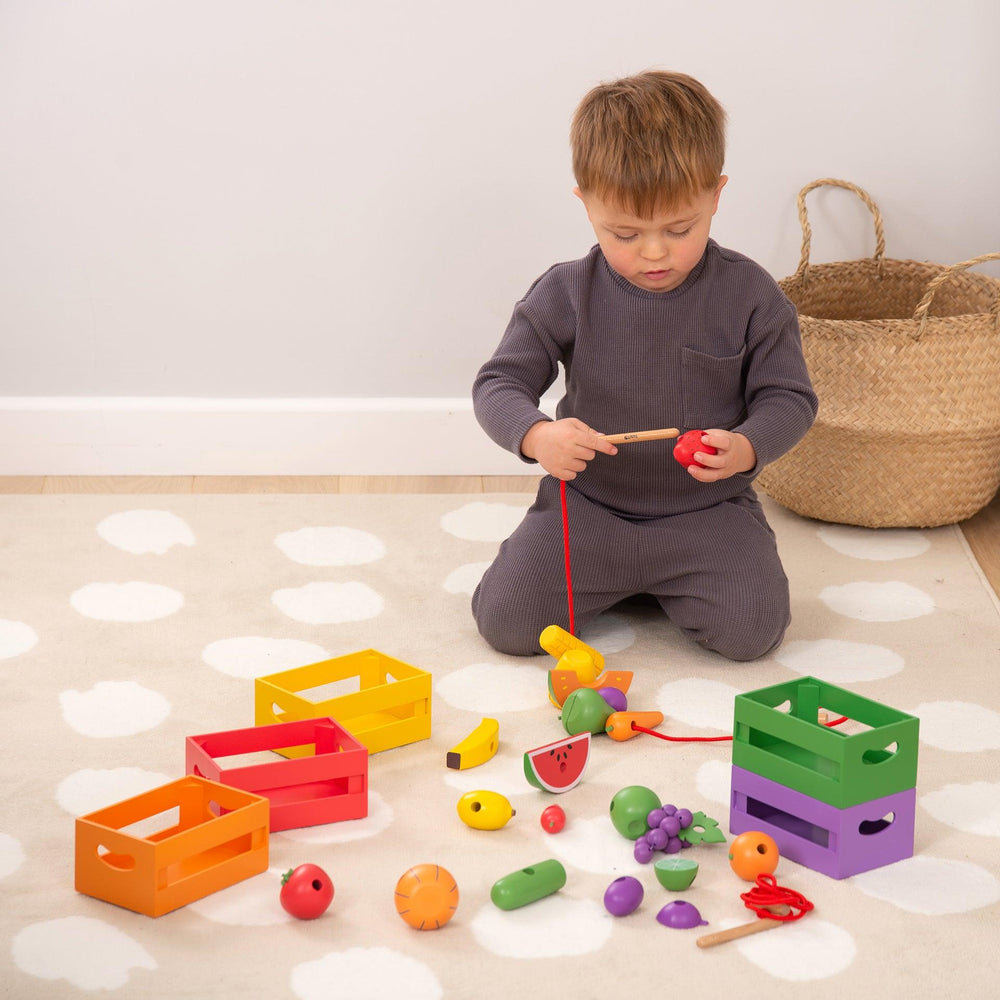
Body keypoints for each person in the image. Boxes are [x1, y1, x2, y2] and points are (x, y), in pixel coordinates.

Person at [471, 70, 818, 661]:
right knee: (506, 622)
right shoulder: (566, 291)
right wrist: (536, 436)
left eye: (679, 229)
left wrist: (747, 448)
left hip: (707, 512)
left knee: (753, 632)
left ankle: (662, 581)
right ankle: (632, 580)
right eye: (625, 233)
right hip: (590, 507)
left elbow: (789, 397)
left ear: (715, 194)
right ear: (585, 204)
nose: (655, 252)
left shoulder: (751, 293)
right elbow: (499, 381)